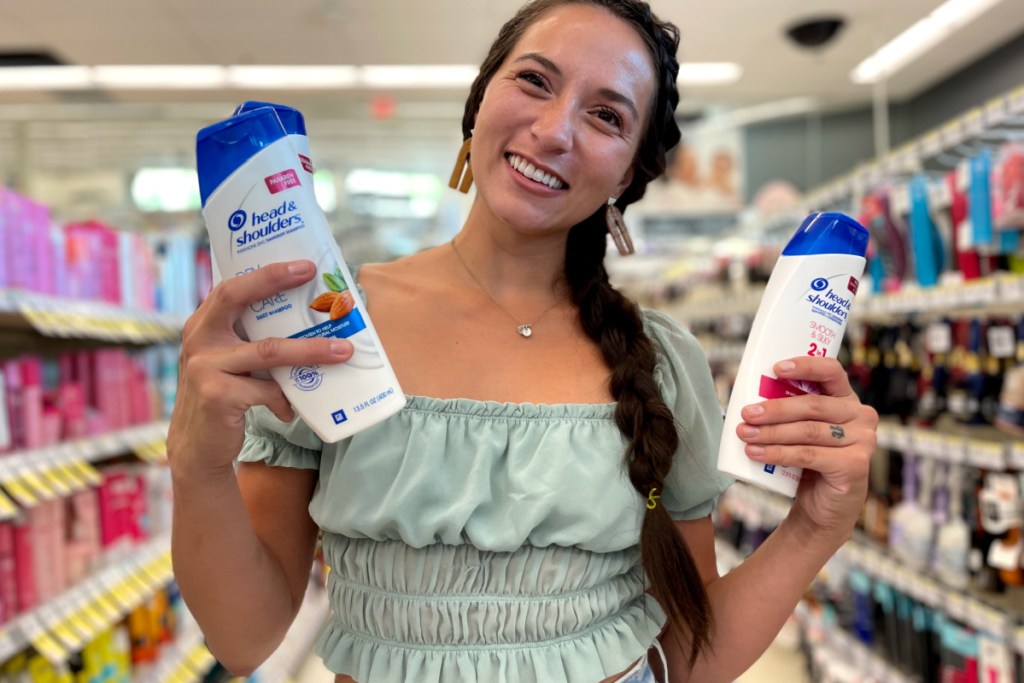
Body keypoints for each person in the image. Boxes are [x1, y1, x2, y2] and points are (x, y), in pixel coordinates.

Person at [168, 1, 878, 681]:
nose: (554, 129)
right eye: (535, 80)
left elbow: (688, 659)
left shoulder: (660, 362)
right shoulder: (328, 326)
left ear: (626, 173)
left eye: (606, 115)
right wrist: (197, 462)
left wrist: (815, 525)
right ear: (478, 103)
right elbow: (243, 637)